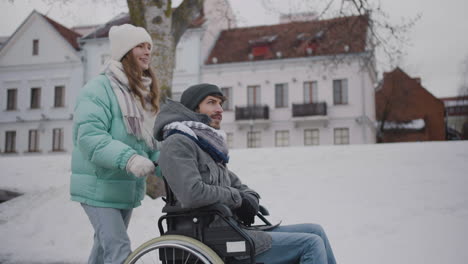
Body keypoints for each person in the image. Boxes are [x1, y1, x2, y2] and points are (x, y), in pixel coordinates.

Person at [153, 83, 337, 264]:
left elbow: (237, 185)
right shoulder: (178, 143)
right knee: (310, 244)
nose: (219, 109)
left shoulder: (207, 146)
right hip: (210, 235)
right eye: (211, 102)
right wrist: (237, 199)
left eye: (220, 103)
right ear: (193, 108)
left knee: (316, 231)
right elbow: (192, 193)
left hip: (231, 228)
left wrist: (250, 198)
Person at [70, 24, 162, 264]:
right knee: (118, 250)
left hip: (122, 186)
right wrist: (130, 159)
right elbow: (90, 138)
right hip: (98, 185)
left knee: (104, 250)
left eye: (149, 46)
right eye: (140, 46)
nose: (147, 51)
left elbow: (146, 142)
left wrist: (168, 164)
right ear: (125, 51)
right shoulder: (98, 90)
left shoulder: (139, 93)